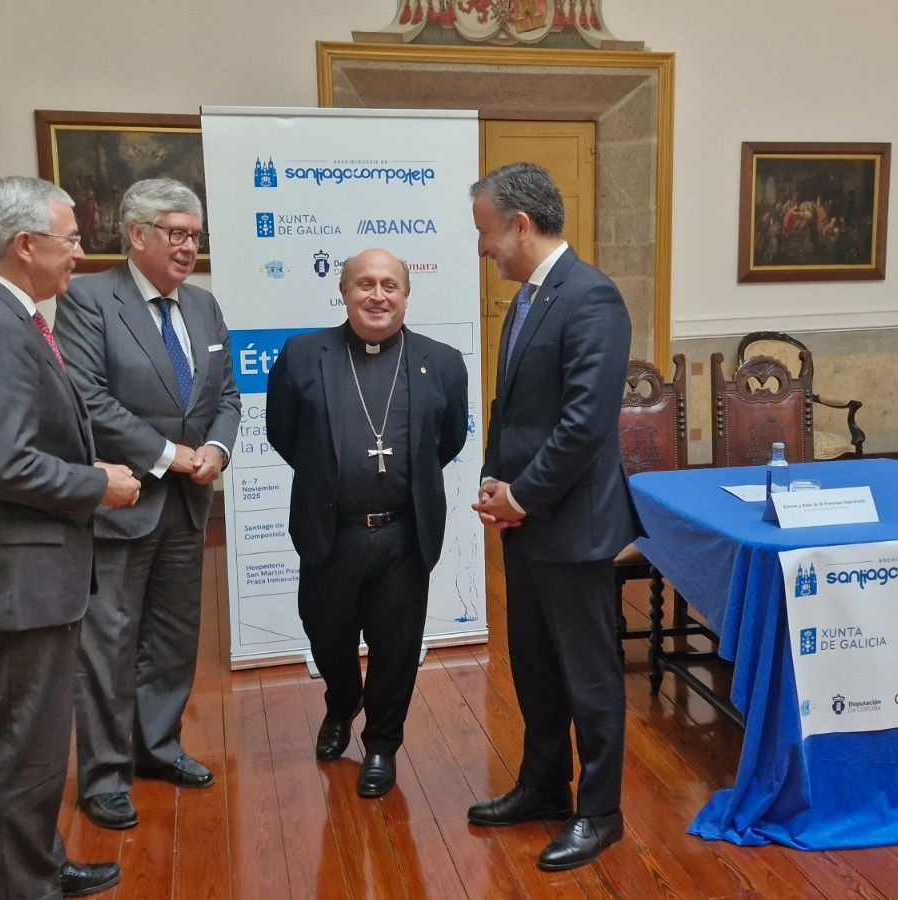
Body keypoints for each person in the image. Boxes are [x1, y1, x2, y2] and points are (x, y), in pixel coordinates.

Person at [0, 175, 140, 899]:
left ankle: (38, 865)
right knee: (27, 743)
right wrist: (98, 483)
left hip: (28, 567)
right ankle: (24, 888)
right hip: (22, 571)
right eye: (71, 238)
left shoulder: (0, 313)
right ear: (25, 246)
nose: (80, 253)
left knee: (39, 738)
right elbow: (6, 463)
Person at [466, 162, 639, 871]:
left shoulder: (592, 298)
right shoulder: (528, 300)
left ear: (520, 225)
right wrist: (490, 479)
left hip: (572, 525)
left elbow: (583, 425)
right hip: (527, 521)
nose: (482, 249)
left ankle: (599, 812)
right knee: (535, 667)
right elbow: (514, 411)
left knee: (588, 678)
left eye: (486, 233)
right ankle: (542, 785)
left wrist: (522, 495)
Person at [53, 178, 240, 830]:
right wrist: (172, 454)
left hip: (190, 505)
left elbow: (228, 397)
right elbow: (88, 400)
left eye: (195, 235)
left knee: (172, 638)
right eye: (176, 234)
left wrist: (216, 448)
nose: (190, 247)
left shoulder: (205, 308)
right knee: (108, 643)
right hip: (122, 501)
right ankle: (104, 777)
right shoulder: (87, 300)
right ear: (136, 235)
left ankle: (157, 748)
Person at [266, 248, 468, 797]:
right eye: (364, 285)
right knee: (328, 638)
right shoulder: (304, 356)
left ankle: (381, 744)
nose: (377, 295)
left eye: (389, 285)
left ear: (406, 294)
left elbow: (445, 443)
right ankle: (340, 702)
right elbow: (284, 435)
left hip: (404, 532)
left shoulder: (443, 362)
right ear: (344, 292)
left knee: (397, 648)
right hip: (331, 531)